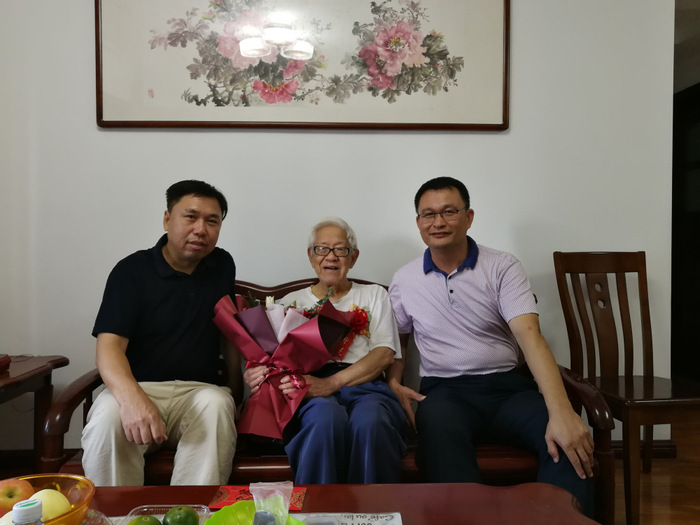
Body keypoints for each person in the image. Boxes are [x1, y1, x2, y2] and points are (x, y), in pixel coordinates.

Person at [387, 177, 594, 514]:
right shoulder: (404, 279)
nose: (438, 222)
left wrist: (562, 412)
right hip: (445, 391)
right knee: (439, 432)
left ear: (468, 217)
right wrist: (394, 382)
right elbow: (398, 342)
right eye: (429, 214)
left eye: (449, 211)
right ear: (418, 222)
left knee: (566, 439)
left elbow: (530, 336)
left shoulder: (502, 266)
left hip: (507, 390)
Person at [81, 180, 241, 486]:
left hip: (197, 392)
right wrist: (133, 401)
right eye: (190, 217)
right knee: (106, 418)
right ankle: (115, 511)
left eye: (212, 221)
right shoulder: (131, 271)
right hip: (138, 387)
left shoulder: (222, 265)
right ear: (167, 219)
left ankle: (191, 509)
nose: (201, 229)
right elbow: (109, 348)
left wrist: (237, 392)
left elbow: (228, 329)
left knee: (218, 404)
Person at [244, 217, 407, 484]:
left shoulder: (374, 295)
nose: (330, 256)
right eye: (322, 249)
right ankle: (318, 505)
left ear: (353, 257)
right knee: (324, 419)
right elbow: (271, 360)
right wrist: (255, 373)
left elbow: (384, 354)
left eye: (340, 249)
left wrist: (331, 383)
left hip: (365, 384)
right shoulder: (290, 302)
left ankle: (373, 505)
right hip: (308, 386)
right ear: (311, 256)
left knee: (371, 420)